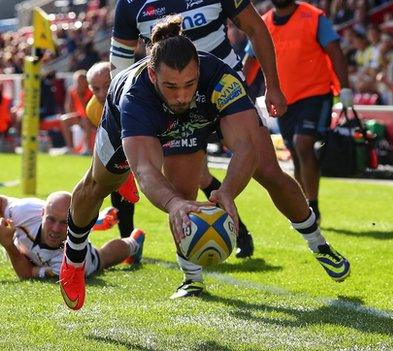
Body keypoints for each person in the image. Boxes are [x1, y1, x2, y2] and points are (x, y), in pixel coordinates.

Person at [60, 16, 350, 311]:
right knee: (98, 185)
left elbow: (246, 146)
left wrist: (227, 191)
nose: (182, 95)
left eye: (189, 84)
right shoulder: (135, 95)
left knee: (257, 171)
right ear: (152, 74)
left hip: (198, 118)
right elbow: (145, 168)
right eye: (171, 86)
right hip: (133, 122)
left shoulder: (220, 77)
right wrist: (171, 204)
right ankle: (73, 257)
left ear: (199, 69)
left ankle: (318, 242)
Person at [109, 0, 289, 258]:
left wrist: (272, 85)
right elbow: (120, 65)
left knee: (266, 170)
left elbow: (255, 27)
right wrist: (123, 111)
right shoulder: (129, 4)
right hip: (172, 104)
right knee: (181, 182)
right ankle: (190, 267)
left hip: (223, 94)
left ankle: (312, 239)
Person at [243, 0, 353, 223]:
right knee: (295, 151)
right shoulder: (262, 24)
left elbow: (336, 52)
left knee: (303, 143)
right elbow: (250, 62)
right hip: (284, 99)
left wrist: (345, 88)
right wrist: (239, 88)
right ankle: (304, 208)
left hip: (315, 93)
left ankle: (314, 205)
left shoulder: (314, 17)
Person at [0, 192, 144, 280]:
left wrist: (8, 245)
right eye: (51, 219)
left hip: (74, 249)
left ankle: (133, 242)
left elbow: (27, 273)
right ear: (42, 212)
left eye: (64, 222)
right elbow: (0, 201)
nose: (55, 228)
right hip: (31, 247)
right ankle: (94, 221)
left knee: (102, 257)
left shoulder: (72, 260)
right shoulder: (25, 210)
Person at [85, 61, 140, 240]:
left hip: (152, 139)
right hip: (124, 146)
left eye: (107, 86)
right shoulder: (92, 109)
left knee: (198, 178)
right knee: (116, 186)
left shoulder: (132, 96)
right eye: (95, 88)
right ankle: (127, 242)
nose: (102, 93)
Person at [60, 70, 93, 154]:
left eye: (80, 82)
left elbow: (88, 110)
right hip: (80, 117)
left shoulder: (91, 91)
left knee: (86, 119)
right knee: (64, 119)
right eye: (77, 82)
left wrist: (80, 96)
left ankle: (86, 148)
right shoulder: (72, 91)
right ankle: (70, 148)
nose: (78, 84)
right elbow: (68, 109)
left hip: (91, 117)